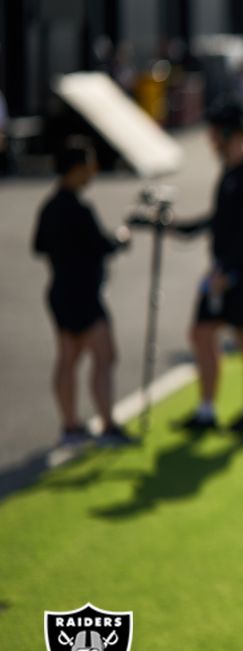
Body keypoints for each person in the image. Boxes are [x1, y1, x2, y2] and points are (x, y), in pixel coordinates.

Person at [172, 104, 243, 436]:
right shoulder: (228, 173)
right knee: (201, 333)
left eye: (216, 133)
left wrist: (226, 272)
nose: (210, 140)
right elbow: (218, 219)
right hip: (221, 270)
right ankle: (206, 410)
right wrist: (178, 227)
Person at [32, 137, 137, 447]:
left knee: (68, 356)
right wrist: (120, 239)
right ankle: (107, 425)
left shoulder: (50, 206)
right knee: (104, 356)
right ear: (76, 169)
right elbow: (102, 245)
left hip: (60, 291)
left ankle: (70, 426)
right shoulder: (79, 208)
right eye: (89, 165)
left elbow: (38, 246)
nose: (93, 171)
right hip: (83, 295)